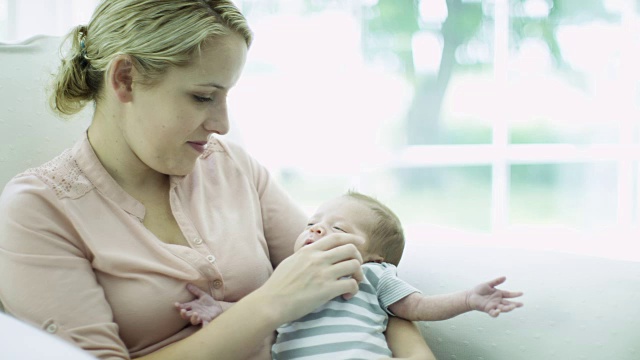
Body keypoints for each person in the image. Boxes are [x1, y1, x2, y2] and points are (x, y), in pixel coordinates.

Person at [0, 1, 436, 359]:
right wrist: (271, 304)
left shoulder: (230, 167)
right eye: (203, 96)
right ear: (125, 78)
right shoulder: (39, 210)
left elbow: (354, 279)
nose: (223, 124)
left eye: (226, 97)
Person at [175, 191, 524, 359]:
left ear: (374, 257)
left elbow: (417, 307)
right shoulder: (289, 277)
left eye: (337, 228)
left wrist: (468, 299)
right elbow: (256, 308)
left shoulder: (374, 277)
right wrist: (215, 309)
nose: (315, 231)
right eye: (312, 224)